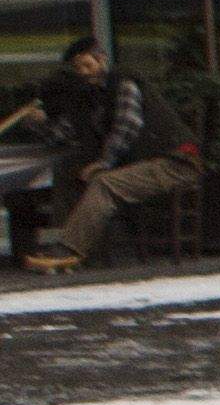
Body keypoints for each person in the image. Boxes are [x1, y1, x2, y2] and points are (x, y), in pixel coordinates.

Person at [6, 40, 189, 274]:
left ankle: (68, 251)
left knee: (103, 181)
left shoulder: (124, 83)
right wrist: (37, 122)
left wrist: (104, 163)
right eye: (78, 68)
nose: (83, 73)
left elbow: (128, 126)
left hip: (172, 159)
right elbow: (63, 134)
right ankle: (74, 251)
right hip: (137, 163)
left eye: (87, 65)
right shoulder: (87, 97)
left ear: (101, 59)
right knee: (69, 171)